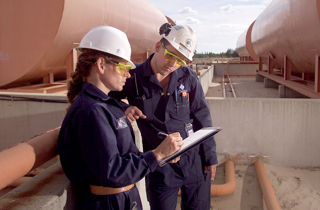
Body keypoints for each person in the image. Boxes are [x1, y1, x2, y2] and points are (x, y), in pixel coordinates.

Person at [57, 26, 184, 210]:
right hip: (109, 203)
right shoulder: (90, 111)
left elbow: (123, 156)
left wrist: (160, 155)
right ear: (101, 65)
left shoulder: (107, 105)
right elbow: (112, 171)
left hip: (123, 200)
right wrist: (157, 155)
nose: (127, 73)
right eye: (122, 66)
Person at [109, 23, 218, 210]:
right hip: (160, 165)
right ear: (159, 46)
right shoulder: (133, 77)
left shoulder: (188, 77)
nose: (173, 64)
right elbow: (106, 98)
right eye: (171, 55)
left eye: (181, 60)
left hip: (193, 161)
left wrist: (210, 157)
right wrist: (121, 107)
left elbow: (202, 116)